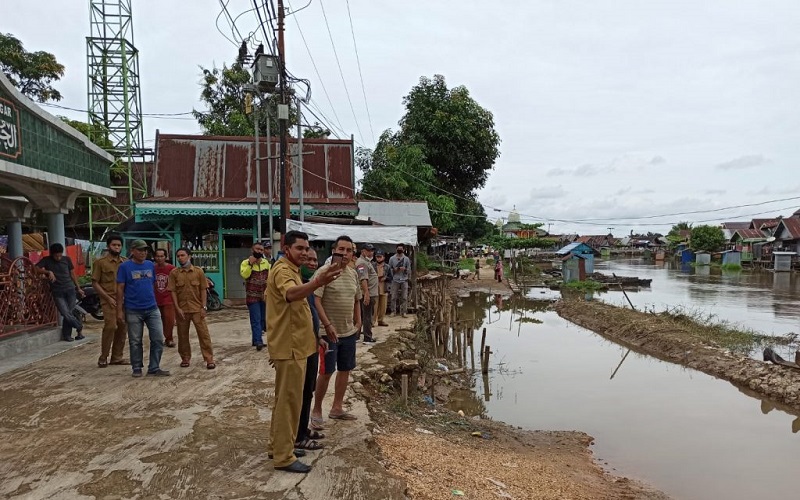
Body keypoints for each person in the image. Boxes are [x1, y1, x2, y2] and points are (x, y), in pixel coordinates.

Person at [265, 230, 341, 473]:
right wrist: (318, 282)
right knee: (289, 401)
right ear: (286, 248)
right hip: (290, 348)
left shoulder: (293, 270)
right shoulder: (283, 270)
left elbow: (300, 312)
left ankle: (278, 446)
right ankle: (283, 457)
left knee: (286, 401)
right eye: (300, 248)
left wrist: (314, 337)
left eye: (307, 248)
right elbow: (290, 295)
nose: (305, 252)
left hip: (299, 344)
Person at [310, 235, 362, 428]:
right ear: (334, 250)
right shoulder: (324, 272)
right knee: (325, 371)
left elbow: (357, 299)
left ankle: (337, 408)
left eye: (349, 250)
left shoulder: (352, 273)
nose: (345, 253)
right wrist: (327, 325)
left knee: (345, 369)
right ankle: (316, 410)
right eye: (342, 249)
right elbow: (316, 301)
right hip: (327, 333)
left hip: (348, 332)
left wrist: (358, 322)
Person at [116, 239, 170, 378]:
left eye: (145, 250)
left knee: (158, 338)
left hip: (152, 308)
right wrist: (119, 310)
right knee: (135, 341)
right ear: (132, 251)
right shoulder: (125, 267)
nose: (143, 253)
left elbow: (152, 285)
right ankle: (137, 367)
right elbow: (120, 289)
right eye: (140, 250)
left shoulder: (150, 265)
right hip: (133, 309)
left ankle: (154, 367)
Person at [295, 248, 328, 451]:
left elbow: (310, 315)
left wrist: (317, 337)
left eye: (315, 260)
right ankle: (297, 436)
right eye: (308, 259)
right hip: (298, 347)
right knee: (299, 392)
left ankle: (302, 430)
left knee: (308, 390)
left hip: (312, 343)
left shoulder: (308, 285)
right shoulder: (298, 284)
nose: (312, 263)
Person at [169, 248, 215, 369]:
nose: (180, 258)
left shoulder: (198, 272)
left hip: (197, 309)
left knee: (203, 334)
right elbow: (173, 291)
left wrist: (204, 307)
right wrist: (177, 308)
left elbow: (203, 290)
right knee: (182, 335)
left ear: (189, 256)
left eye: (182, 255)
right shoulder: (174, 273)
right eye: (178, 256)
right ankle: (185, 358)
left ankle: (209, 358)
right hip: (182, 309)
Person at [36, 243, 84, 342]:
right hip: (57, 291)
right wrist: (48, 272)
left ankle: (67, 336)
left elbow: (72, 274)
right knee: (65, 313)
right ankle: (79, 326)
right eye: (56, 256)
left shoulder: (67, 259)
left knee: (69, 313)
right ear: (52, 254)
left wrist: (78, 288)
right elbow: (35, 268)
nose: (58, 257)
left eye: (60, 255)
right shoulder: (46, 260)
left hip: (70, 289)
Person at [92, 234, 128, 365]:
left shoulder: (125, 262)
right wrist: (107, 298)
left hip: (124, 300)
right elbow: (95, 283)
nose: (117, 247)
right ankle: (103, 357)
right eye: (114, 245)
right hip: (109, 300)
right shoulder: (100, 263)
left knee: (122, 327)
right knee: (111, 326)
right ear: (108, 246)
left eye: (119, 245)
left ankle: (117, 357)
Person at [241, 241, 271, 350]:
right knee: (256, 319)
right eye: (257, 249)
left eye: (261, 250)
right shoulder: (245, 263)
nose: (259, 251)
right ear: (252, 250)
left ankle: (255, 340)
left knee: (263, 319)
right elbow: (244, 274)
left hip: (264, 296)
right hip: (252, 296)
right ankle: (258, 341)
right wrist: (250, 264)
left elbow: (270, 278)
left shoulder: (266, 263)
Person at [355, 243, 379, 343]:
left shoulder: (366, 262)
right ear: (363, 251)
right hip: (367, 294)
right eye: (368, 251)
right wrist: (367, 294)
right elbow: (363, 279)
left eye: (372, 250)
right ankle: (367, 338)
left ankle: (357, 336)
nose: (371, 253)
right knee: (367, 316)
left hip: (369, 293)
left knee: (362, 315)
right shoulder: (362, 263)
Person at [154, 249, 176, 348]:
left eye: (162, 256)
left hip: (169, 298)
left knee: (169, 320)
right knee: (158, 321)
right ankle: (159, 339)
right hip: (155, 298)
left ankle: (169, 338)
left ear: (166, 257)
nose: (159, 258)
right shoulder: (152, 268)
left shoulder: (172, 269)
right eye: (157, 256)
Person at [388, 244, 412, 317]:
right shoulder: (392, 259)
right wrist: (394, 270)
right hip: (395, 279)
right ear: (396, 249)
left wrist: (404, 269)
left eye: (401, 249)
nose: (400, 250)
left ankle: (404, 312)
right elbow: (389, 269)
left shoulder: (406, 259)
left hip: (404, 279)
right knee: (393, 297)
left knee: (404, 297)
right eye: (398, 249)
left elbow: (409, 270)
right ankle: (393, 311)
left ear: (403, 250)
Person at [374, 250, 390, 327]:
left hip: (384, 287)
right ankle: (372, 321)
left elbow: (391, 277)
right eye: (377, 257)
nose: (378, 258)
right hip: (374, 288)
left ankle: (381, 320)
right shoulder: (372, 265)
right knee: (374, 306)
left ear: (383, 257)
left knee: (383, 306)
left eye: (380, 257)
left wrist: (385, 278)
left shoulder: (387, 267)